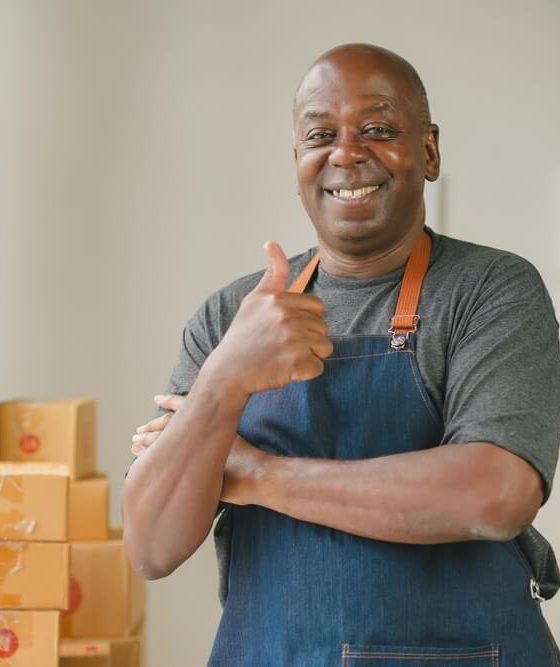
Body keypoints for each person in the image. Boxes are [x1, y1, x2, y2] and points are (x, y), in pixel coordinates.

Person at [122, 43, 560, 665]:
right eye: (320, 134)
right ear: (299, 158)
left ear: (429, 151)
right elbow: (151, 547)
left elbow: (494, 494)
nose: (347, 154)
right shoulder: (230, 317)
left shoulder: (490, 290)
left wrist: (254, 474)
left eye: (378, 130)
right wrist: (223, 379)